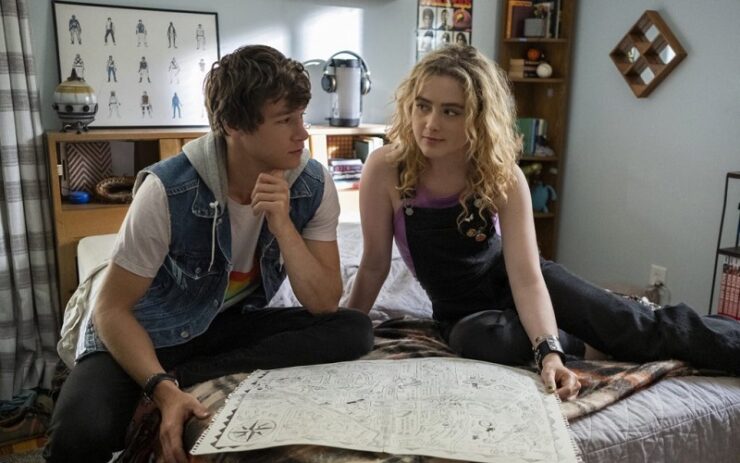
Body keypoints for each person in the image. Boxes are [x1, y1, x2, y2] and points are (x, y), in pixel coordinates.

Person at [347, 45, 740, 402]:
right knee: (479, 340)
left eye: (451, 111)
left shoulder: (501, 174)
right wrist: (345, 327)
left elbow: (526, 276)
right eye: (422, 106)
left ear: (479, 118)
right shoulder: (386, 169)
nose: (430, 123)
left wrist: (550, 355)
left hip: (530, 285)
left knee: (640, 329)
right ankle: (582, 339)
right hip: (463, 315)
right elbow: (374, 264)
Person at [44, 44, 374, 463]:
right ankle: (166, 381)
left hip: (225, 328)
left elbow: (324, 302)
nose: (303, 133)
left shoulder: (312, 184)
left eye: (302, 116)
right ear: (234, 125)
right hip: (149, 333)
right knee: (77, 435)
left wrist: (283, 225)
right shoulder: (168, 189)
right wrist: (160, 387)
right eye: (285, 120)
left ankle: (190, 375)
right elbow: (110, 310)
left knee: (353, 329)